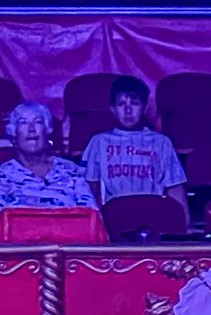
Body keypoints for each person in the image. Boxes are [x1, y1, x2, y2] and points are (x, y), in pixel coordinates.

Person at [0, 102, 98, 237]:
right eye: (23, 123)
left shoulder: (71, 170)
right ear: (14, 133)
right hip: (20, 249)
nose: (31, 129)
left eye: (38, 122)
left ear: (47, 130)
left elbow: (93, 219)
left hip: (69, 246)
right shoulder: (0, 176)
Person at [81, 78, 188, 219]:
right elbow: (90, 187)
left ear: (144, 108)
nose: (128, 111)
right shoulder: (98, 142)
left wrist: (186, 223)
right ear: (112, 110)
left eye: (134, 104)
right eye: (121, 104)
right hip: (114, 217)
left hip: (153, 216)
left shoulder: (161, 142)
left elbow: (175, 188)